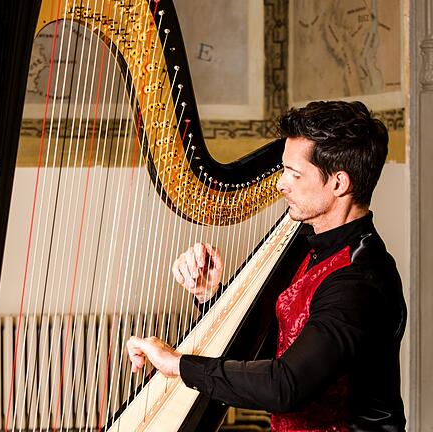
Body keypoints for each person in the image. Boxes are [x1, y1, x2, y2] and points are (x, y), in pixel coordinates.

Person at [127, 101, 406, 431]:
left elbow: (286, 385)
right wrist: (210, 295)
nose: (280, 184)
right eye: (283, 170)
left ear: (338, 183)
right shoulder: (310, 246)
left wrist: (178, 364)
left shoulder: (359, 279)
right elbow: (282, 345)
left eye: (294, 173)